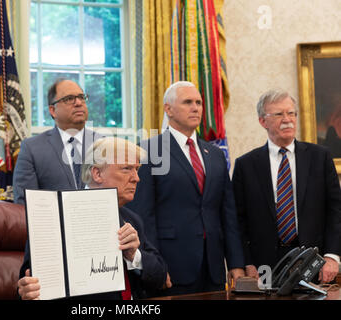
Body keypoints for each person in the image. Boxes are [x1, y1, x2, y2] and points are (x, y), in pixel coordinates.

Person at [126, 81, 245, 296]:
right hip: (172, 267)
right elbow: (144, 216)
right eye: (188, 102)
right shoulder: (149, 150)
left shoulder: (216, 154)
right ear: (168, 109)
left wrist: (236, 263)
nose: (196, 108)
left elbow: (227, 215)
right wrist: (156, 268)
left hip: (213, 269)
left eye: (199, 102)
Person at [17, 137, 169, 299]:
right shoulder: (55, 218)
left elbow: (161, 276)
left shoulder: (131, 219)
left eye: (137, 169)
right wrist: (28, 292)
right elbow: (25, 288)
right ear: (97, 173)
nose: (136, 178)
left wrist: (134, 256)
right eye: (126, 169)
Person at [232, 89, 341, 283]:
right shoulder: (246, 165)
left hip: (315, 262)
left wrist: (332, 256)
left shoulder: (320, 157)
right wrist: (246, 262)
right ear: (262, 121)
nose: (287, 119)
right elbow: (238, 221)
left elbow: (336, 211)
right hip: (263, 267)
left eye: (291, 113)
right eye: (279, 114)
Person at [13, 78, 100, 204]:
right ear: (52, 110)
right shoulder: (32, 149)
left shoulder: (104, 144)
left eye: (81, 97)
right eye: (69, 99)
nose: (78, 103)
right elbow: (24, 203)